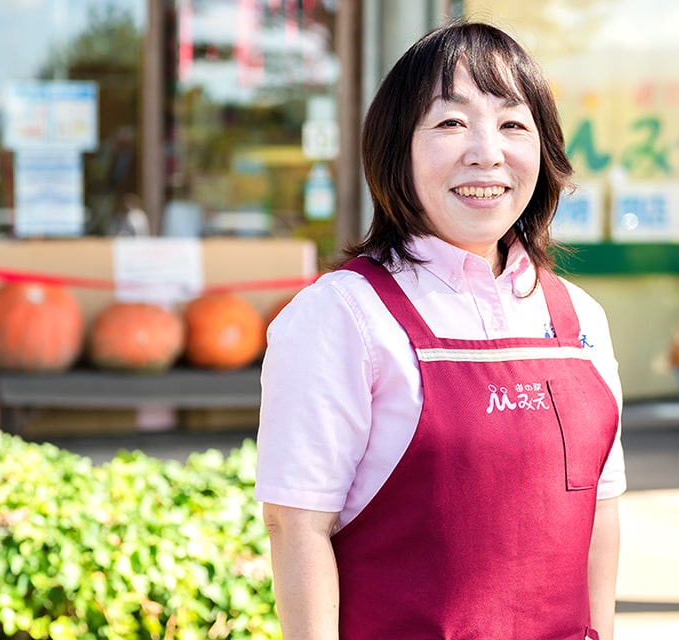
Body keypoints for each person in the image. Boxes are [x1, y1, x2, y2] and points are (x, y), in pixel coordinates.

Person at [255, 20, 626, 640]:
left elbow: (601, 510)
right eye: (451, 122)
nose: (487, 151)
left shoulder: (581, 318)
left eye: (513, 124)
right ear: (396, 147)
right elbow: (297, 527)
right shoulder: (342, 315)